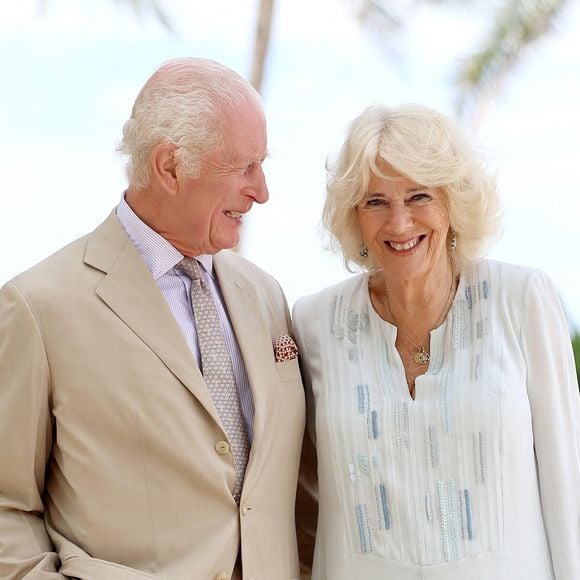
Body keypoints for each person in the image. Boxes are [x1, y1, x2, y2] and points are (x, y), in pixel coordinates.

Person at [0, 57, 309, 580]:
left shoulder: (266, 295)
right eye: (243, 167)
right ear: (170, 166)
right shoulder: (37, 306)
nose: (262, 190)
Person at [292, 103, 580, 579]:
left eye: (419, 196)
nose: (400, 223)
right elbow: (300, 494)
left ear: (453, 202)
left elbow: (568, 484)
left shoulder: (520, 299)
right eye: (375, 201)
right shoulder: (315, 322)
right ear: (354, 216)